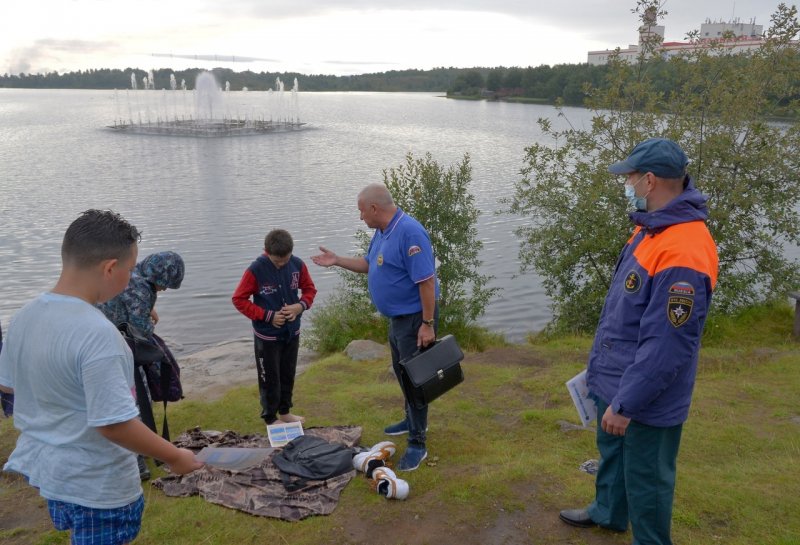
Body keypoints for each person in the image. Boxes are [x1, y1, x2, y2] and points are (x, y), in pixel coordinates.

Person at [0, 209, 202, 545]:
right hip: (99, 487)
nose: (131, 278)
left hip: (51, 476)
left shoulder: (23, 317)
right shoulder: (99, 335)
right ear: (110, 268)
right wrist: (174, 456)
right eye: (129, 269)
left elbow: (8, 384)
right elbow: (114, 424)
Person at [558, 138, 719, 545]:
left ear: (649, 181)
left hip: (648, 394)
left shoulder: (685, 248)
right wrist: (603, 378)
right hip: (617, 376)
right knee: (612, 454)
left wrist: (627, 402)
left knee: (648, 478)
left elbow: (668, 346)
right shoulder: (651, 229)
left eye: (629, 177)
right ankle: (608, 513)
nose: (626, 183)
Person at [311, 183, 440, 472]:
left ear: (374, 208)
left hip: (415, 318)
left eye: (361, 212)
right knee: (403, 373)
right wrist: (337, 261)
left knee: (415, 380)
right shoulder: (383, 232)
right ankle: (411, 420)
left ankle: (418, 442)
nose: (360, 218)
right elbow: (370, 264)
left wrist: (427, 324)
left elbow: (427, 281)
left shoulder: (410, 232)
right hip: (398, 319)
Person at [97, 250, 185, 480]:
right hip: (119, 350)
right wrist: (150, 327)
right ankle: (138, 464)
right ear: (159, 276)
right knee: (133, 403)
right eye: (165, 285)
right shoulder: (140, 289)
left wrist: (149, 309)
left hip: (109, 341)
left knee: (130, 401)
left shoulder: (134, 275)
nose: (164, 289)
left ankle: (141, 452)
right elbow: (139, 329)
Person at [232, 229, 317, 428]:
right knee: (270, 378)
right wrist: (267, 316)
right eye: (277, 261)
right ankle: (270, 418)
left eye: (284, 260)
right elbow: (238, 299)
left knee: (288, 373)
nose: (281, 264)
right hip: (267, 337)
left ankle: (285, 412)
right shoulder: (256, 269)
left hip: (291, 332)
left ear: (291, 253)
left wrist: (300, 306)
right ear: (266, 251)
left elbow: (310, 289)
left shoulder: (297, 264)